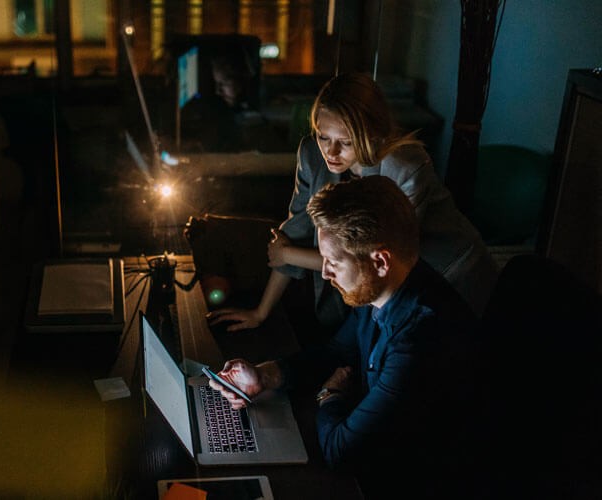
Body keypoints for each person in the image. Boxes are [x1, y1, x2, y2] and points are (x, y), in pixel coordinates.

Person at [208, 177, 480, 499]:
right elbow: (336, 351)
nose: (324, 272)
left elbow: (341, 452)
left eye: (333, 262)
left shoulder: (420, 339)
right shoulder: (380, 289)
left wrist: (328, 395)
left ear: (380, 261)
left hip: (411, 482)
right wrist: (265, 375)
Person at [208, 72, 498, 334]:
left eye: (345, 142)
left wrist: (290, 256)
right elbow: (293, 233)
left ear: (371, 133)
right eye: (323, 137)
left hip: (451, 275)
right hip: (385, 283)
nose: (330, 152)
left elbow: (377, 262)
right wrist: (261, 312)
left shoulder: (403, 166)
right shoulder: (312, 154)